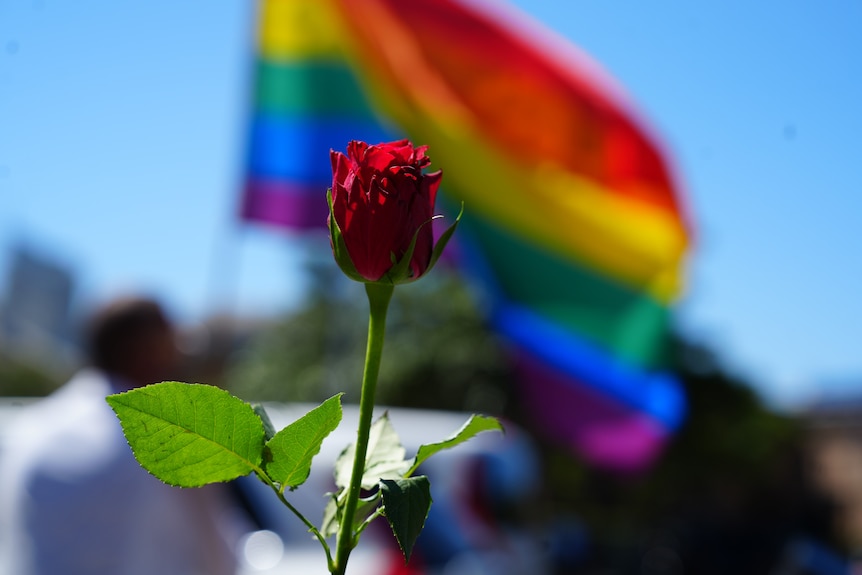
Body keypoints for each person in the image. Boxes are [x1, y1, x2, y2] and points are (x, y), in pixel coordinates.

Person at [0, 296, 248, 575]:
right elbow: (219, 559)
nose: (180, 356)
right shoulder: (167, 438)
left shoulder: (29, 427)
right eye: (173, 345)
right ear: (151, 349)